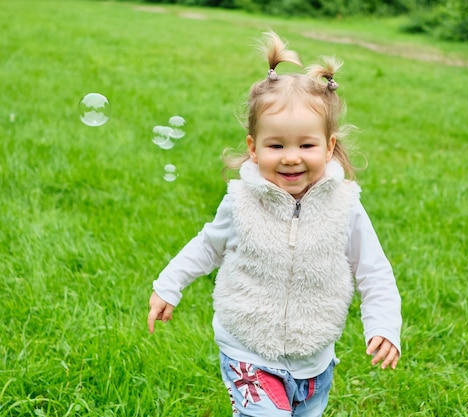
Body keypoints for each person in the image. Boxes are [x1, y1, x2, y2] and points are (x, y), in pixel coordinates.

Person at [147, 31, 402, 417]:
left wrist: (383, 325)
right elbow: (207, 245)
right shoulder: (241, 201)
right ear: (253, 147)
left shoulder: (345, 207)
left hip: (314, 359)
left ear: (329, 146)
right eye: (276, 145)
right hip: (248, 348)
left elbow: (373, 271)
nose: (291, 158)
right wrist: (169, 285)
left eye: (306, 145)